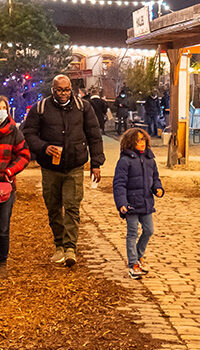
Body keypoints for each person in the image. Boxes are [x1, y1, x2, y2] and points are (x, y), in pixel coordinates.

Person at [23, 74, 105, 267]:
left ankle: (70, 248)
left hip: (75, 166)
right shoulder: (40, 109)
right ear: (53, 89)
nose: (63, 93)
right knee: (53, 208)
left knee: (72, 207)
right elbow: (28, 134)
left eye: (66, 89)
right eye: (59, 90)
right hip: (50, 168)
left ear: (72, 89)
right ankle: (59, 244)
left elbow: (94, 135)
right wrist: (43, 147)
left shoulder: (83, 108)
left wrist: (96, 163)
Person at [113, 128, 164, 280]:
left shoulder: (150, 159)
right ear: (130, 142)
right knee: (132, 233)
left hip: (146, 202)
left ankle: (138, 255)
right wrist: (122, 203)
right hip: (131, 204)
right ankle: (133, 263)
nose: (141, 143)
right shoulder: (124, 161)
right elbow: (119, 184)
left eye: (143, 140)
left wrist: (158, 188)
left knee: (149, 230)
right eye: (138, 141)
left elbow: (155, 178)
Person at [0, 96, 30, 265]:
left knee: (3, 226)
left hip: (6, 185)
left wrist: (10, 171)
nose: (0, 112)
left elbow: (24, 155)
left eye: (3, 108)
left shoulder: (14, 132)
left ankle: (2, 259)